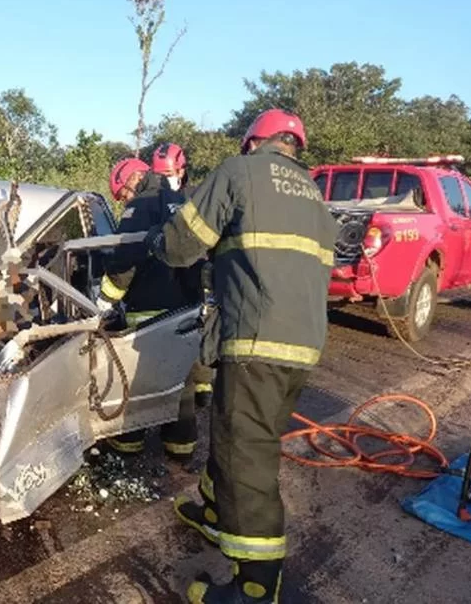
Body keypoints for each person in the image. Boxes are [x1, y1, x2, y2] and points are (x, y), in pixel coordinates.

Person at [144, 109, 338, 603]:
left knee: (246, 454)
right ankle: (215, 515)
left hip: (256, 340)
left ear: (253, 143)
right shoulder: (315, 197)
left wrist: (156, 246)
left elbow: (185, 243)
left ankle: (255, 585)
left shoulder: (240, 171)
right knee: (238, 435)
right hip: (302, 346)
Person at [97, 157, 202, 462]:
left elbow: (125, 257)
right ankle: (181, 447)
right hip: (184, 307)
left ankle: (128, 444)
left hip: (148, 313)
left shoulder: (141, 204)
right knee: (179, 379)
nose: (125, 201)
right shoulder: (179, 199)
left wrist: (106, 298)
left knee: (138, 378)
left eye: (123, 195)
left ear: (131, 180)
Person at [151, 141, 215, 407]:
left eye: (169, 175)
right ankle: (179, 383)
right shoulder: (154, 200)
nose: (167, 182)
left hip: (196, 271)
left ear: (181, 170)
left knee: (199, 330)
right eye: (161, 177)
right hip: (167, 274)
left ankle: (203, 387)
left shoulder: (197, 196)